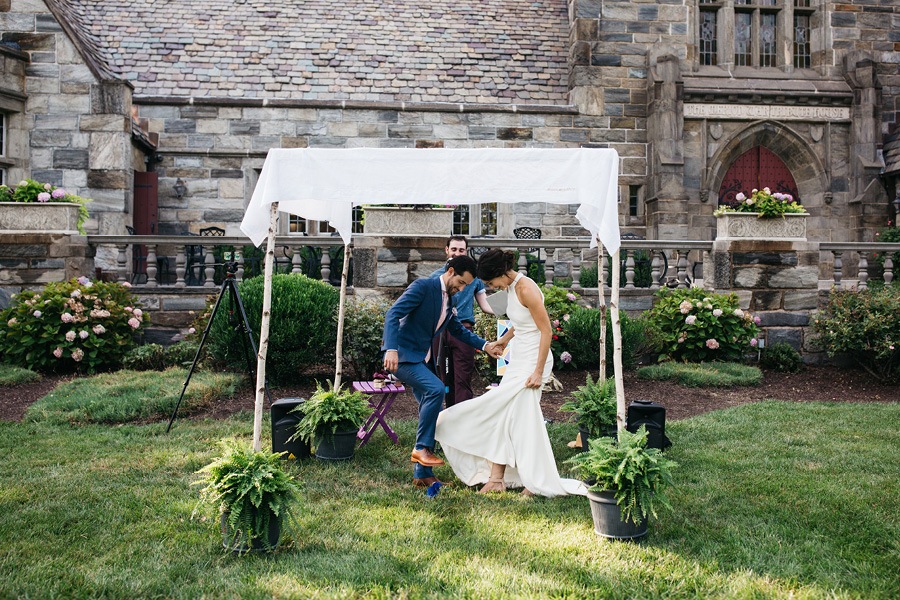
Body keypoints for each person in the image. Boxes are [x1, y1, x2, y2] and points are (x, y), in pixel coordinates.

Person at [435, 249, 587, 497]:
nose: (490, 287)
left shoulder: (526, 288)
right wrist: (503, 342)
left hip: (534, 360)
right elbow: (521, 321)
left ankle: (533, 481)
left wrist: (538, 373)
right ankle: (497, 478)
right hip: (518, 358)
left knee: (524, 420)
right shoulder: (510, 287)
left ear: (501, 274)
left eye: (490, 282)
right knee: (505, 416)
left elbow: (545, 331)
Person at [382, 255, 504, 488]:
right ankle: (421, 449)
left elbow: (458, 330)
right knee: (437, 389)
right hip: (403, 357)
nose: (461, 288)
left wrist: (485, 346)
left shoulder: (449, 300)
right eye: (460, 282)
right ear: (450, 271)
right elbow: (393, 314)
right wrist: (391, 348)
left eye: (466, 285)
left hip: (423, 360)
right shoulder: (423, 286)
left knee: (434, 409)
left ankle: (423, 475)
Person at [429, 236, 495, 407]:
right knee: (441, 379)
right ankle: (444, 417)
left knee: (463, 379)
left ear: (466, 251)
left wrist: (510, 308)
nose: (457, 253)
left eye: (461, 250)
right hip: (440, 331)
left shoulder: (474, 278)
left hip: (464, 332)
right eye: (454, 249)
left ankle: (463, 420)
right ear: (447, 250)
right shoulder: (436, 277)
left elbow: (485, 304)